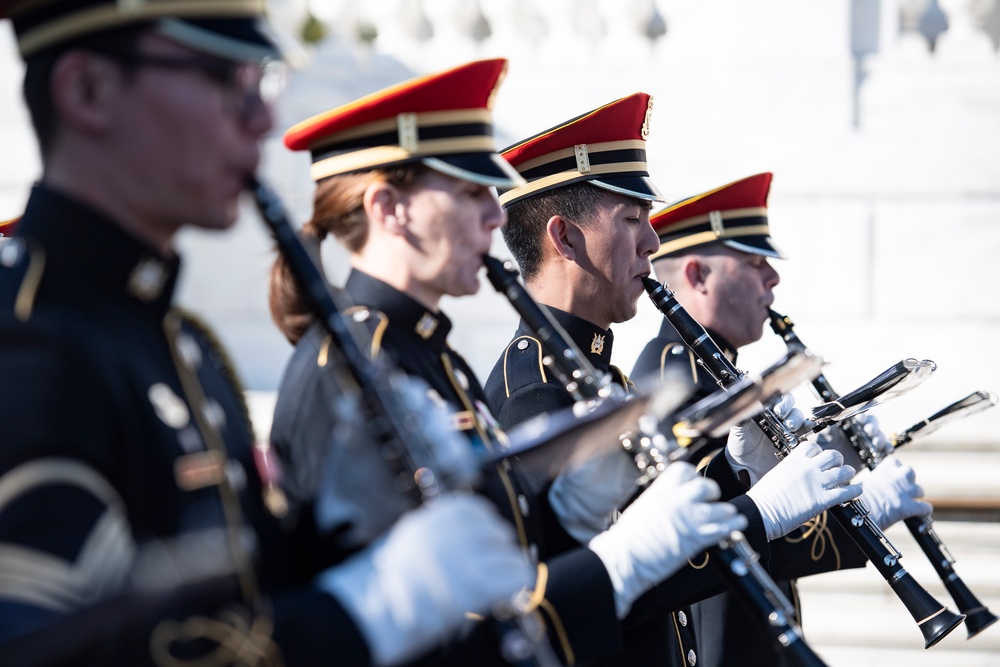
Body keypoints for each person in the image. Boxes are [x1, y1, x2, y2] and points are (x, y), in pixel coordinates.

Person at [0, 4, 535, 666]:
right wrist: (369, 604)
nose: (260, 119)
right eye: (227, 80)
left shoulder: (181, 344)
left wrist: (344, 533)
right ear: (88, 91)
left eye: (262, 85)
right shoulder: (27, 347)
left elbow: (243, 599)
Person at [268, 59, 750, 666]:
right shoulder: (348, 368)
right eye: (471, 193)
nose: (496, 216)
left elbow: (505, 568)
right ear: (389, 209)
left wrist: (567, 519)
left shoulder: (437, 361)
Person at [483, 95, 862, 667]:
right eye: (631, 220)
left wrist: (741, 476)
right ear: (562, 238)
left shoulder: (591, 374)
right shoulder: (535, 394)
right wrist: (762, 511)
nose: (652, 243)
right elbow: (575, 599)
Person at [632, 171, 932, 667]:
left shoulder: (715, 369)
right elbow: (720, 533)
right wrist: (862, 510)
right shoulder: (672, 380)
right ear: (697, 276)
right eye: (754, 264)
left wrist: (836, 451)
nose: (773, 279)